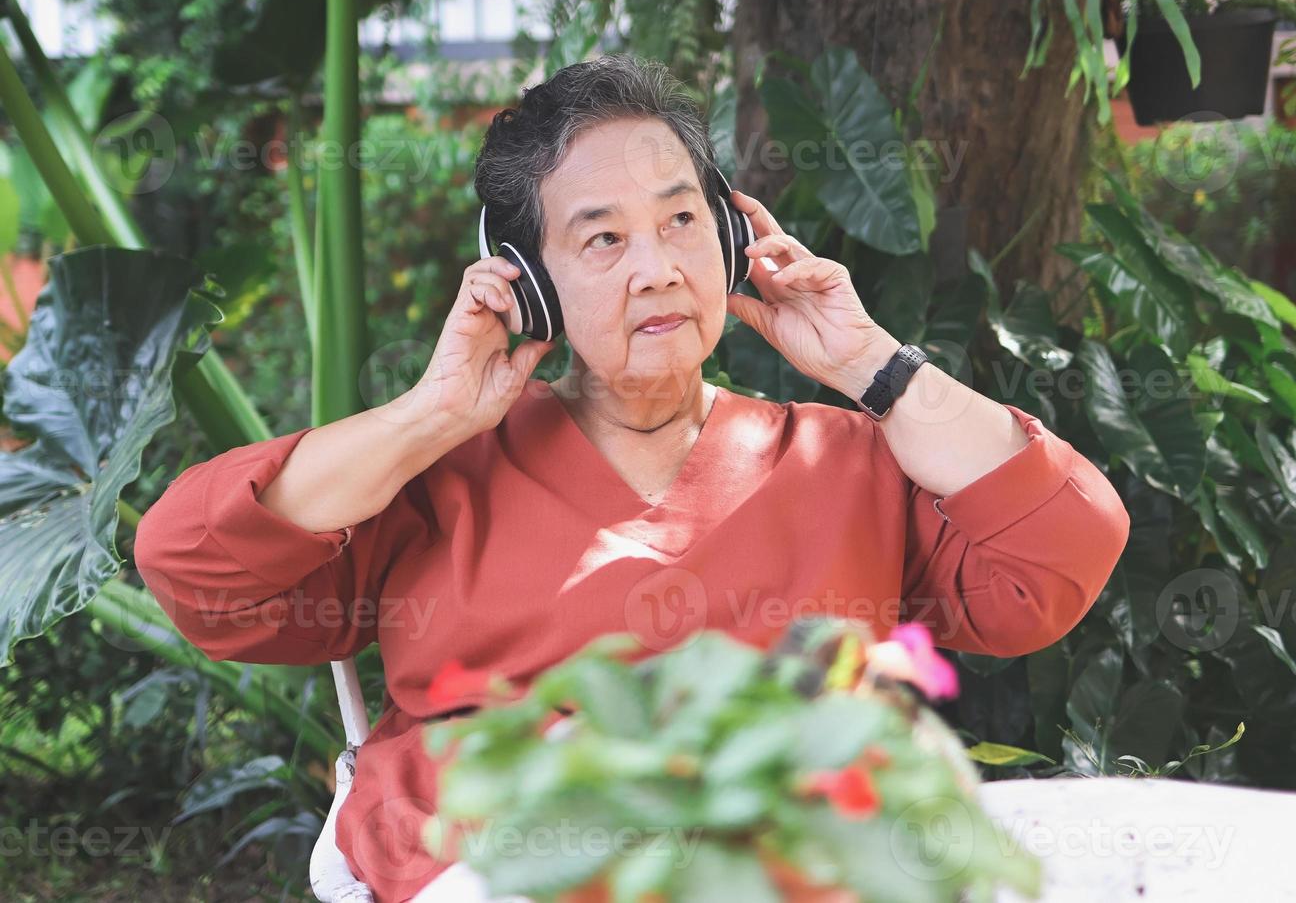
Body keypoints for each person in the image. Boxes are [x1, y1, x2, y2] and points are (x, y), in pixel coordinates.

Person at [132, 54, 1131, 902]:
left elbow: (1057, 556)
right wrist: (434, 413)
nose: (655, 266)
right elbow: (201, 571)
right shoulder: (437, 474)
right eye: (601, 237)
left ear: (734, 240)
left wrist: (871, 361)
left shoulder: (846, 459)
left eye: (682, 221)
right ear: (525, 279)